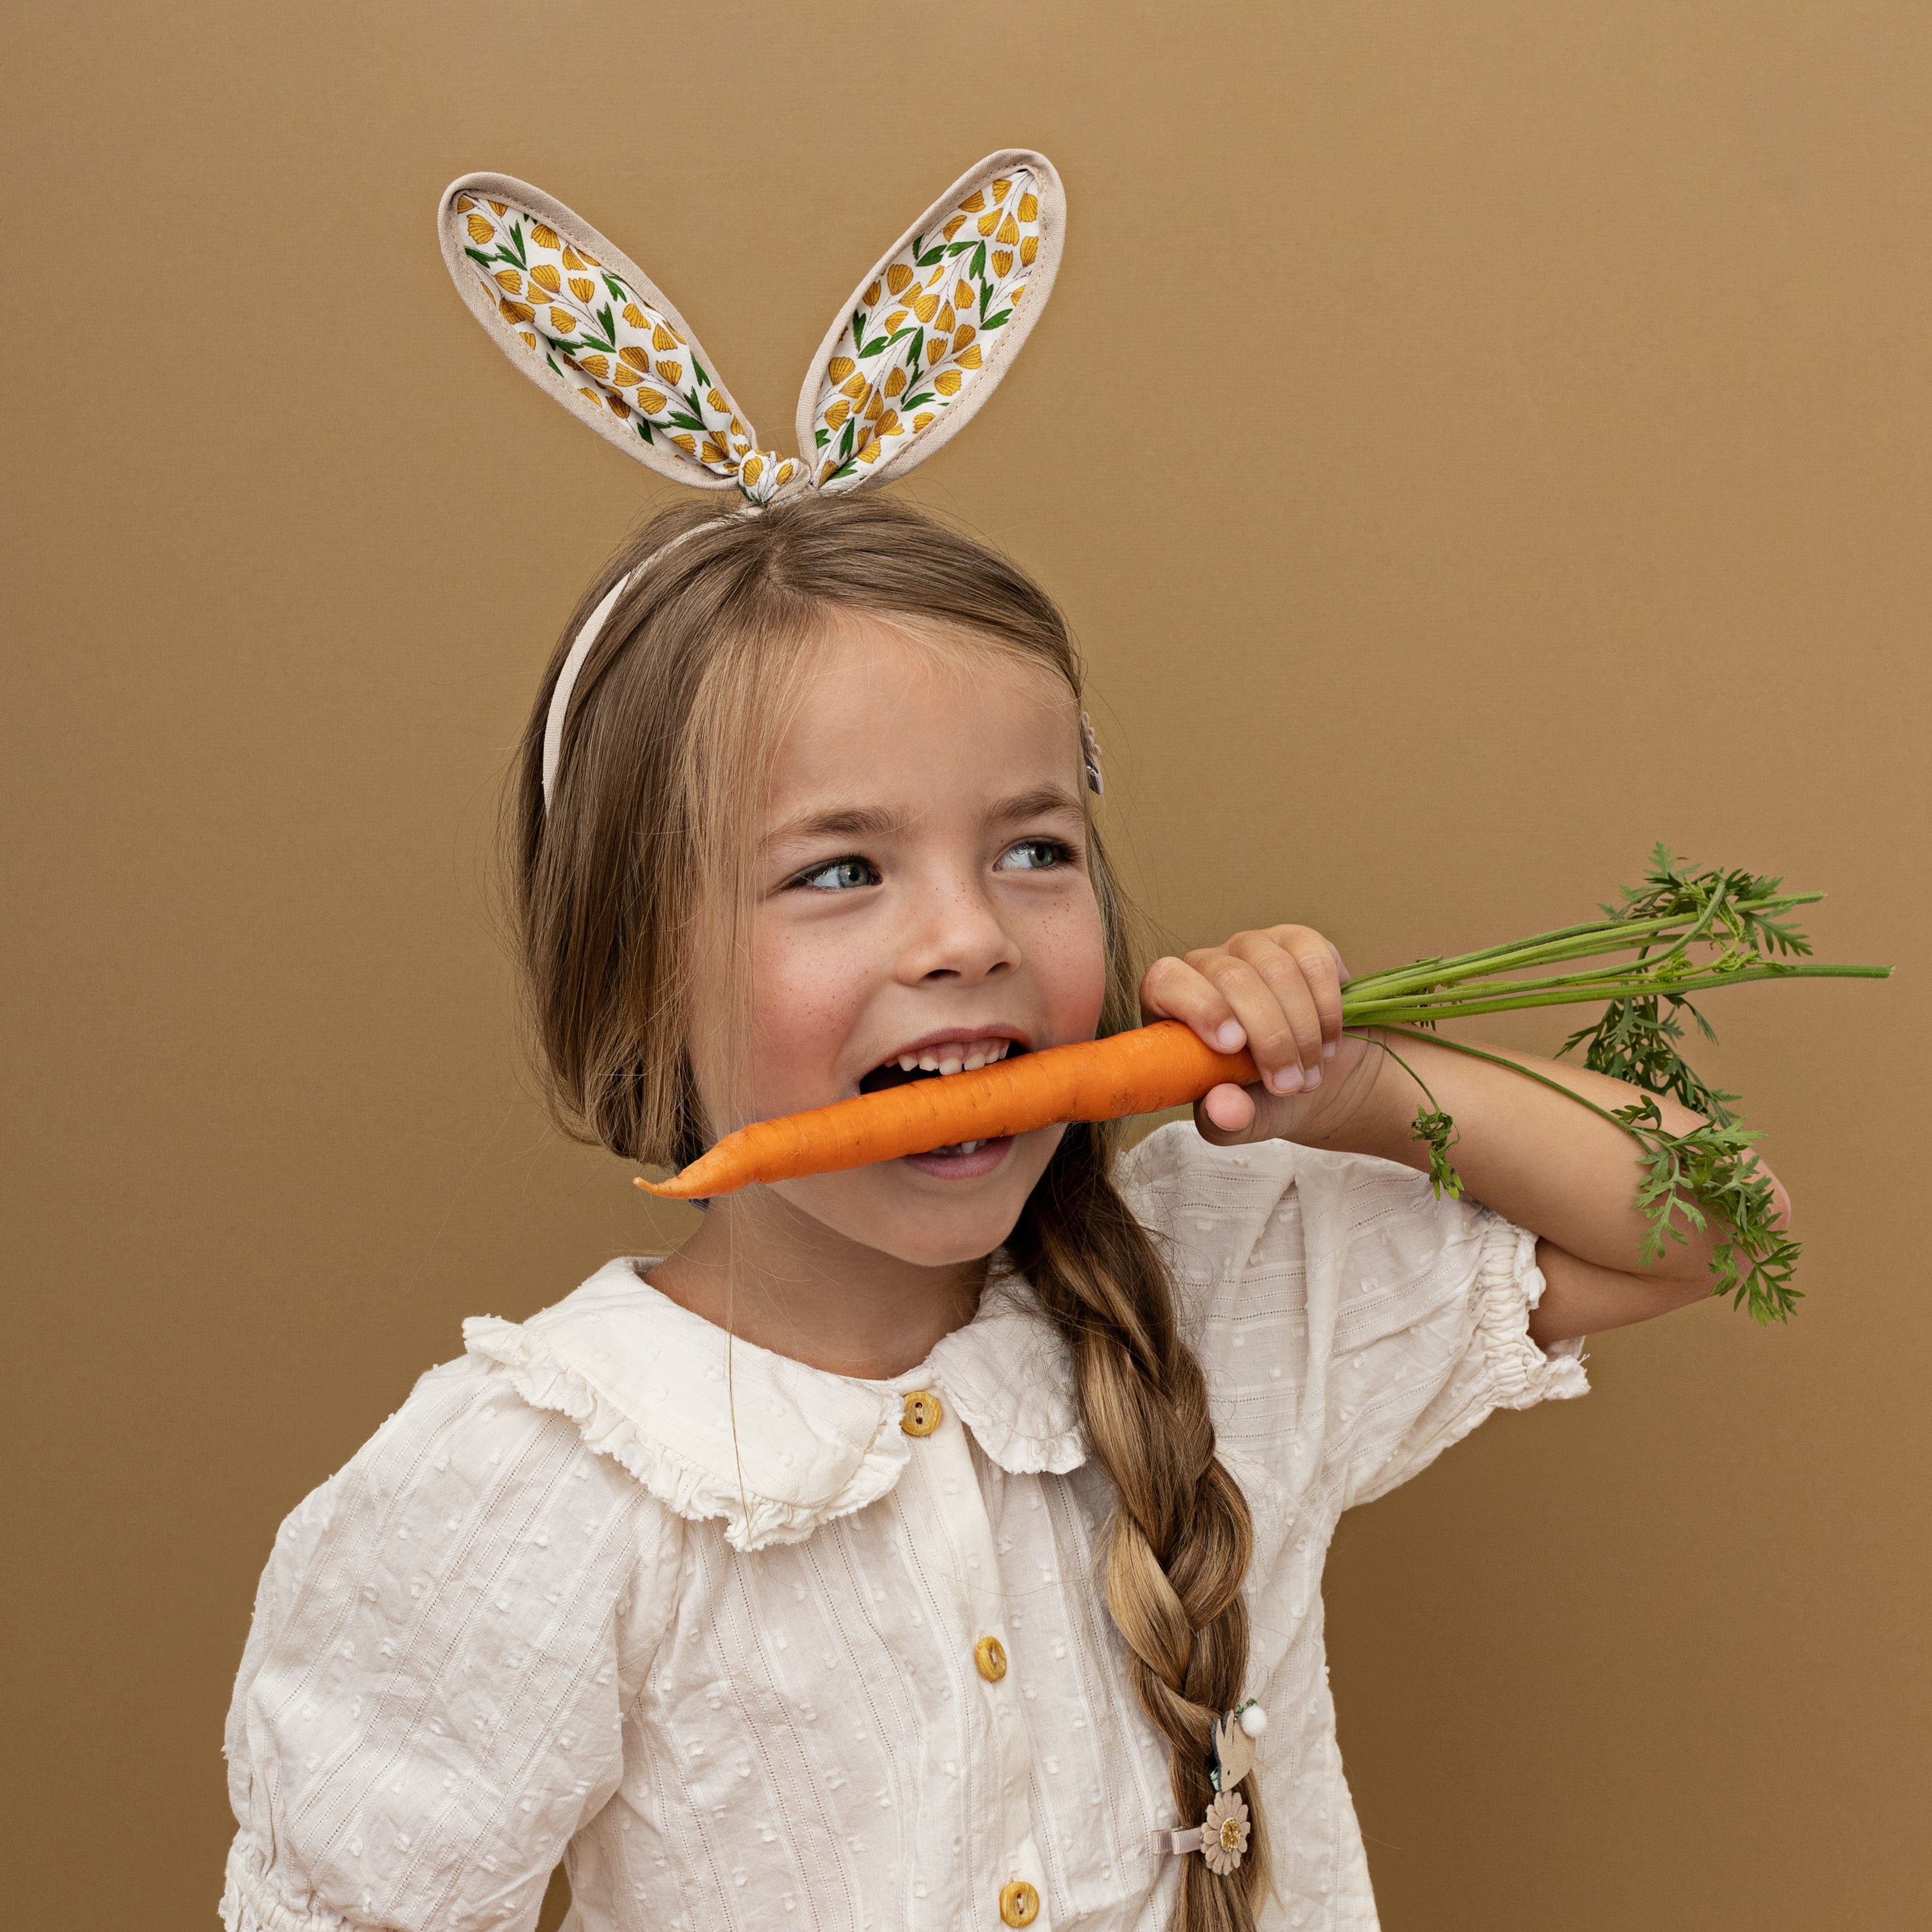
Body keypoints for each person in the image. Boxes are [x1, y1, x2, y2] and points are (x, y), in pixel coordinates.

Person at [220, 155, 1783, 1932]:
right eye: (840, 868)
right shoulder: (542, 1485)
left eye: (1031, 847)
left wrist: (1350, 1088)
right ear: (640, 972)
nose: (964, 930)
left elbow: (1706, 1213)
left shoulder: (1217, 1267)